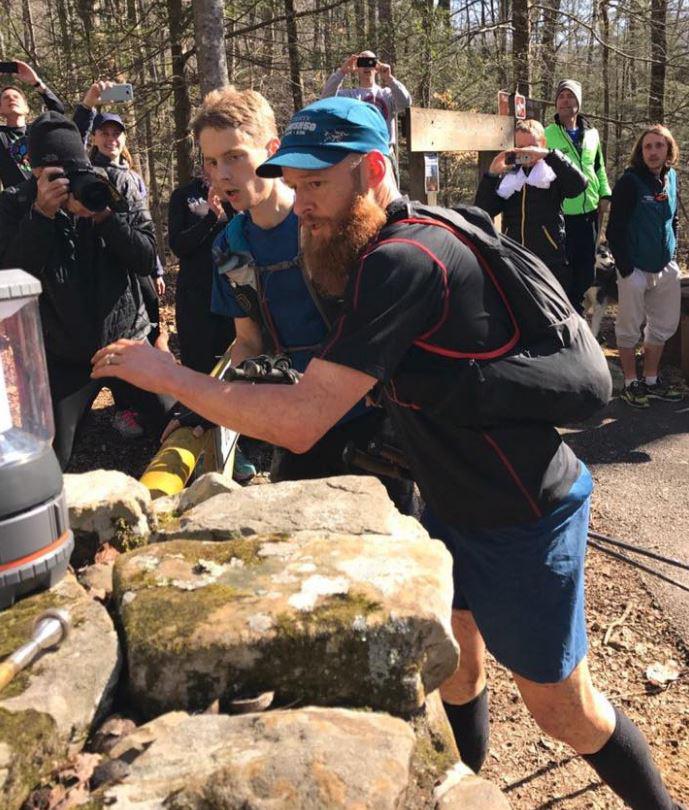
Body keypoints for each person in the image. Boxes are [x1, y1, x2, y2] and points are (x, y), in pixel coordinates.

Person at [93, 97, 683, 810]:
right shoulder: (384, 242)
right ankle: (467, 791)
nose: (300, 203)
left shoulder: (403, 260)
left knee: (565, 713)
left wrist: (167, 376)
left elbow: (304, 420)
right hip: (448, 499)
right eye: (294, 184)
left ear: (372, 171)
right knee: (459, 672)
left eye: (316, 185)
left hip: (521, 514)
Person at [177, 87, 413, 507]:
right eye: (212, 163)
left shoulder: (333, 220)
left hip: (372, 424)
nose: (222, 175)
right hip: (293, 426)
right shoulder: (230, 246)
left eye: (235, 156)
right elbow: (248, 339)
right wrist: (213, 399)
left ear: (272, 151)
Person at [0, 112, 171, 469]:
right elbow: (12, 279)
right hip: (65, 356)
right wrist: (41, 217)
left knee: (176, 424)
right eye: (56, 175)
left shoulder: (111, 187)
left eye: (73, 172)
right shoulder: (15, 205)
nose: (68, 183)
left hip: (126, 343)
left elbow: (145, 257)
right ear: (35, 172)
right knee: (49, 455)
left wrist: (104, 216)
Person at [75, 85, 168, 436]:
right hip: (98, 277)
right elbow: (71, 148)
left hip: (135, 267)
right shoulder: (87, 171)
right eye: (105, 133)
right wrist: (87, 106)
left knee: (146, 324)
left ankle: (137, 401)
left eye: (117, 134)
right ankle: (124, 405)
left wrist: (156, 267)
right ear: (95, 137)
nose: (111, 139)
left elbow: (145, 229)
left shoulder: (132, 177)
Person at [607, 124, 684, 408]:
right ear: (641, 151)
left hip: (664, 266)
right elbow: (614, 229)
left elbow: (673, 218)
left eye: (659, 146)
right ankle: (631, 383)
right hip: (634, 268)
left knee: (662, 326)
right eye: (648, 147)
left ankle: (651, 380)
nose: (653, 152)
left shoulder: (672, 178)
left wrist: (672, 255)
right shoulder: (630, 182)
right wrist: (626, 269)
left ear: (668, 150)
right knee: (629, 327)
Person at [475, 118, 587, 295]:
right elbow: (483, 210)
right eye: (520, 147)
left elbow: (579, 185)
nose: (526, 152)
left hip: (549, 260)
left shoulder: (552, 174)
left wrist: (549, 155)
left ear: (542, 144)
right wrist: (491, 174)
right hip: (514, 257)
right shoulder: (509, 177)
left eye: (531, 146)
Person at [545, 80, 611, 312]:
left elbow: (599, 167)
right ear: (556, 103)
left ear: (578, 103)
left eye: (570, 96)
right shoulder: (548, 134)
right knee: (565, 269)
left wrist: (605, 193)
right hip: (562, 213)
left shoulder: (591, 134)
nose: (565, 100)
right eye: (561, 96)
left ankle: (576, 310)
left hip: (590, 211)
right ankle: (568, 313)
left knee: (586, 270)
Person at [168, 170, 236, 374]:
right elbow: (178, 245)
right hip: (195, 295)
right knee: (198, 364)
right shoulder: (183, 195)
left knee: (231, 365)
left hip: (231, 292)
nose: (216, 167)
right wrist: (211, 218)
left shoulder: (235, 194)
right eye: (211, 161)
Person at [321, 50, 411, 155]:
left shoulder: (386, 94)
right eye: (362, 62)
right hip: (358, 152)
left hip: (385, 152)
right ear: (357, 68)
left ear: (376, 67)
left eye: (370, 62)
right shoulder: (350, 96)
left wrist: (389, 78)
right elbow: (325, 99)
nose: (366, 66)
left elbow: (405, 102)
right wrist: (342, 72)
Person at [0, 60, 65, 190]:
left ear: (27, 108)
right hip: (17, 204)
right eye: (6, 98)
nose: (12, 99)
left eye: (16, 97)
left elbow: (57, 111)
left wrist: (36, 83)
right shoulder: (1, 136)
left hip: (50, 195)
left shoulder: (39, 130)